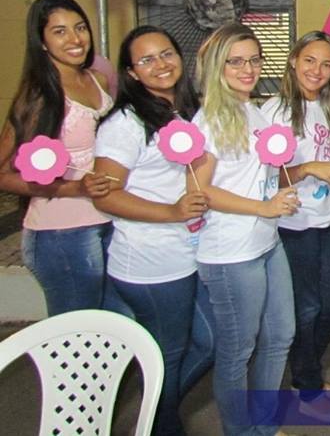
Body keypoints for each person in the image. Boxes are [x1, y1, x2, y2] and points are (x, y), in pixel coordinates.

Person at [92, 25, 214, 435]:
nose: (160, 64)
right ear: (131, 73)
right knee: (168, 356)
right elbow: (107, 196)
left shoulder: (185, 112)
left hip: (187, 252)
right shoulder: (125, 123)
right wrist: (171, 211)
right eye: (146, 60)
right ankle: (161, 425)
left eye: (166, 54)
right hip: (151, 262)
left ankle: (153, 413)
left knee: (209, 341)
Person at [191, 22, 299, 435]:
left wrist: (278, 195)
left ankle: (264, 426)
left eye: (254, 60)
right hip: (231, 253)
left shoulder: (251, 109)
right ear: (217, 66)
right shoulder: (209, 120)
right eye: (235, 62)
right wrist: (263, 206)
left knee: (280, 336)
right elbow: (199, 191)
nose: (248, 69)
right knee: (238, 352)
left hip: (266, 241)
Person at [0, 0, 114, 315]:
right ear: (42, 41)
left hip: (108, 220)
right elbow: (3, 173)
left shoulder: (98, 80)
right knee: (77, 333)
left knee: (112, 327)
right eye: (60, 31)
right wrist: (73, 188)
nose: (75, 39)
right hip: (62, 233)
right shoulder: (38, 94)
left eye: (80, 27)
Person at [261, 31, 330, 411]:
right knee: (307, 308)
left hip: (325, 218)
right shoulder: (275, 111)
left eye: (327, 64)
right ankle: (309, 388)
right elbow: (263, 178)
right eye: (310, 61)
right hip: (290, 223)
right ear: (293, 61)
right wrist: (308, 168)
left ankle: (304, 373)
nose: (317, 70)